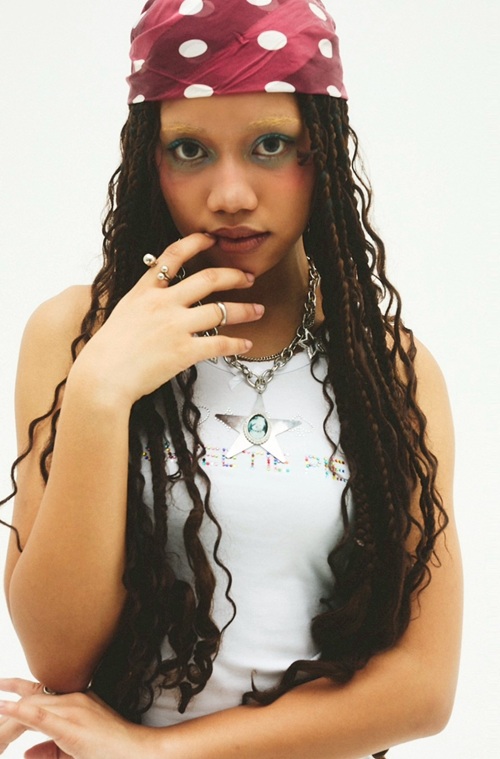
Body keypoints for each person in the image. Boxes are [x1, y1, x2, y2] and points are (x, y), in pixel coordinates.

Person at [0, 0, 462, 757]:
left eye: (271, 144)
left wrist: (158, 752)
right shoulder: (76, 336)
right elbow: (59, 657)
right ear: (149, 158)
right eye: (189, 150)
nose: (231, 195)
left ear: (325, 152)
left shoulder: (390, 370)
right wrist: (100, 394)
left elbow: (422, 688)